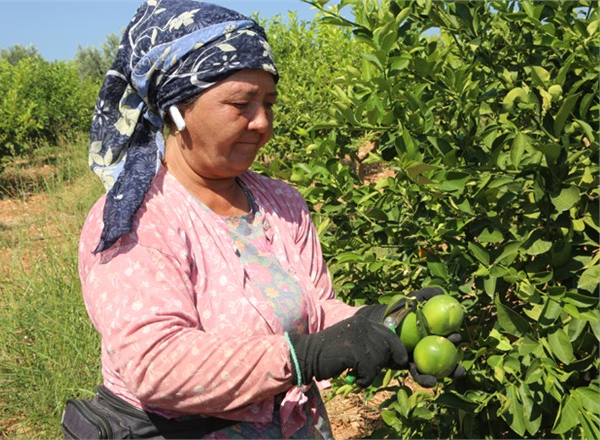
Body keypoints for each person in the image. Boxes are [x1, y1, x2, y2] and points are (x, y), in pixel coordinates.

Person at [67, 1, 461, 438]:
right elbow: (156, 364)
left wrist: (376, 325)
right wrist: (303, 358)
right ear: (178, 110)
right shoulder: (136, 217)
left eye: (269, 103)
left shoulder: (282, 201)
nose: (263, 123)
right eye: (241, 104)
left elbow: (315, 312)